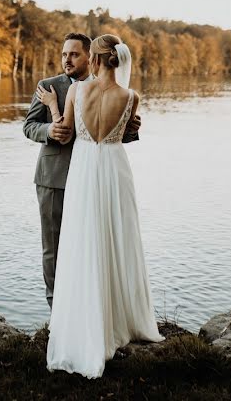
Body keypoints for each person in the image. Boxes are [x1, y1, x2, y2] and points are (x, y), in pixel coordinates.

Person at [36, 33, 164, 379]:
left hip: (83, 168)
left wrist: (52, 104)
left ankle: (83, 322)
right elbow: (124, 134)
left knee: (82, 240)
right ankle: (119, 319)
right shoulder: (131, 96)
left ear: (94, 59)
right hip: (113, 169)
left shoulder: (77, 91)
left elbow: (64, 127)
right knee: (117, 238)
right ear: (117, 60)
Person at [23, 33, 140, 310]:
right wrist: (49, 130)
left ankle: (88, 309)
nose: (67, 59)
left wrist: (131, 130)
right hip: (53, 179)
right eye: (64, 54)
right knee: (53, 247)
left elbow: (113, 137)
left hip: (92, 180)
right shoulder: (47, 86)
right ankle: (57, 311)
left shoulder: (109, 89)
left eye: (74, 54)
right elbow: (28, 126)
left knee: (90, 244)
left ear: (91, 57)